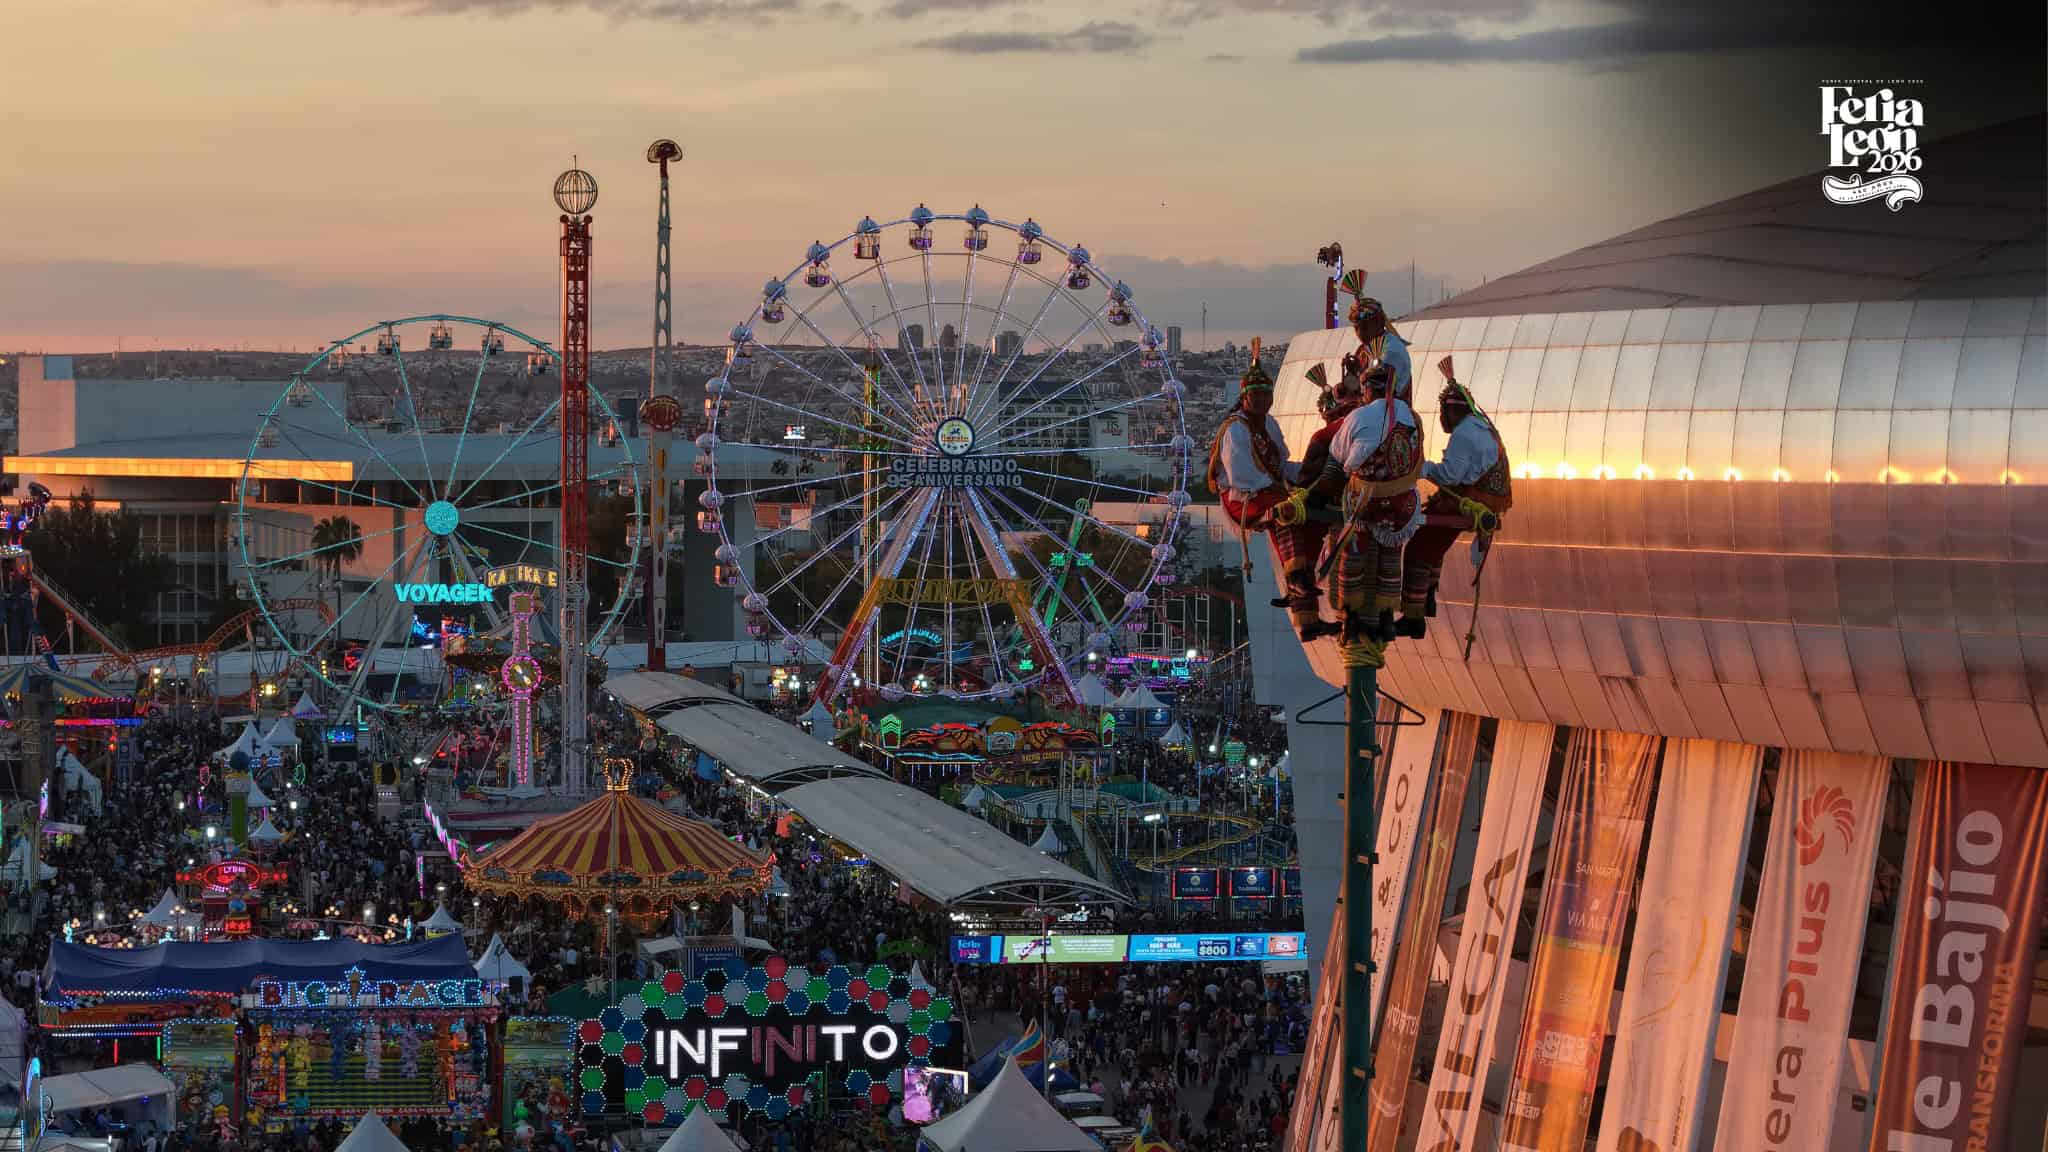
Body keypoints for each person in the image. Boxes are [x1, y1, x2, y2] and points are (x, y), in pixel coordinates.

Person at [1306, 361, 1423, 644]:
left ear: (1368, 389)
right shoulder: (1411, 415)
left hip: (1365, 503)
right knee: (1390, 556)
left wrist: (1318, 490)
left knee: (1352, 555)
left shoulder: (1359, 416)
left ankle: (1350, 616)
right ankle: (1387, 617)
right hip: (1401, 506)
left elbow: (1338, 456)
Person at [1398, 356, 1513, 637]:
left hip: (1472, 500)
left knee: (1418, 549)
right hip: (1484, 500)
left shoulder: (1464, 433)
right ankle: (1425, 600)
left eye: (1444, 412)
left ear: (1451, 411)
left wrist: (1421, 467)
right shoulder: (1482, 427)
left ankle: (1414, 615)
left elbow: (1450, 476)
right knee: (1431, 545)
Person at [1268, 357, 1364, 640]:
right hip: (1350, 498)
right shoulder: (1372, 421)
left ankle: (1299, 592)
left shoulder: (1329, 433)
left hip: (1333, 500)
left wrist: (1297, 493)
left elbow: (1313, 474)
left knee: (1286, 520)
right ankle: (1305, 606)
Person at [1207, 340, 1316, 584]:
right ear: (1245, 397)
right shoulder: (1236, 429)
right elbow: (1241, 477)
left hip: (1268, 490)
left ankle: (1307, 567)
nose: (1263, 400)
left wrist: (1308, 473)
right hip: (1242, 497)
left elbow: (1282, 465)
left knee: (1312, 503)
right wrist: (1283, 490)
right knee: (1286, 510)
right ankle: (1295, 573)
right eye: (1256, 395)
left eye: (1267, 394)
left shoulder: (1270, 424)